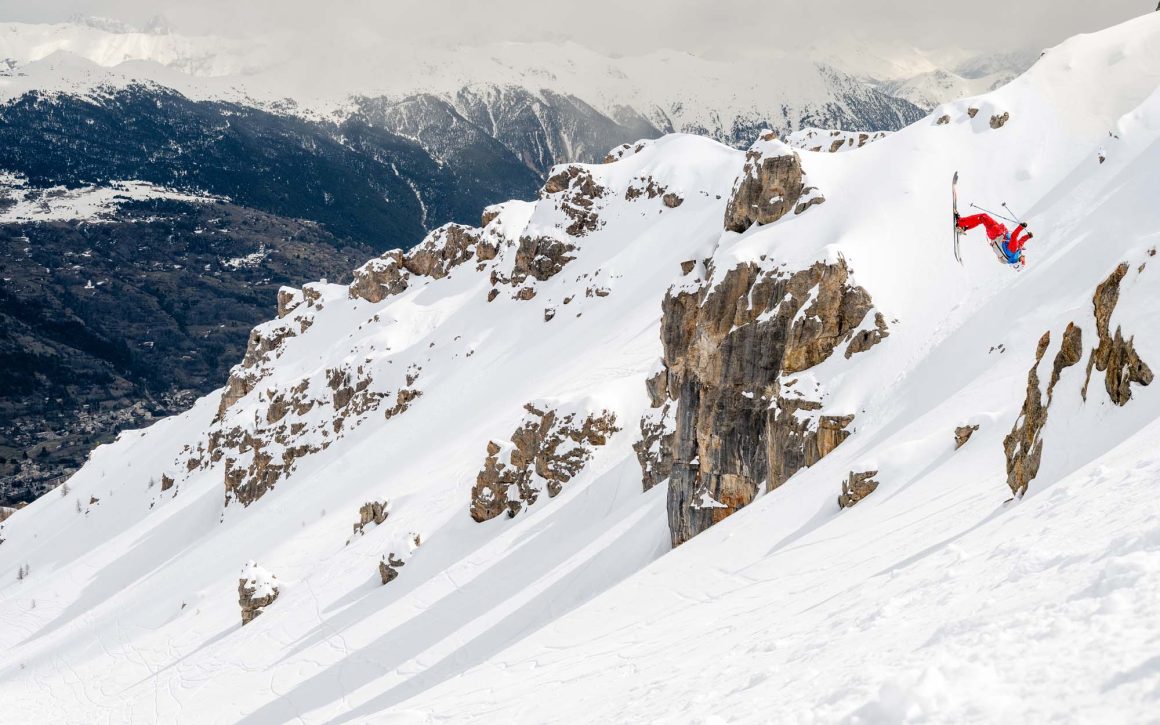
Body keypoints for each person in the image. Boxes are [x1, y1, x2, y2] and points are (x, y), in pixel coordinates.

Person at [955, 212, 1032, 268]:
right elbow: (1020, 242)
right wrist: (1028, 236)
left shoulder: (1013, 251)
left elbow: (1014, 236)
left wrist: (1021, 227)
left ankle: (960, 222)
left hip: (996, 232)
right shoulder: (1013, 255)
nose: (1024, 257)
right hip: (997, 234)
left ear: (1018, 262)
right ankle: (964, 227)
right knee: (982, 219)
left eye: (1023, 260)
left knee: (983, 217)